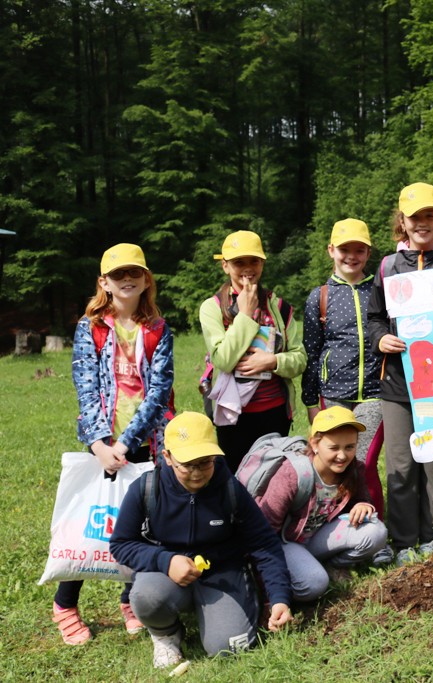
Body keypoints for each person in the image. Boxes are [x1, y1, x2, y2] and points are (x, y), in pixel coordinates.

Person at [53, 243, 174, 645]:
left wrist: (128, 441)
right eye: (118, 274)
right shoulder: (91, 328)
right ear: (104, 282)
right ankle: (65, 602)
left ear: (145, 281)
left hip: (143, 442)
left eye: (134, 273)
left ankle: (129, 598)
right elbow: (85, 389)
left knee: (142, 524)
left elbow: (159, 392)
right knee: (88, 522)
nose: (127, 279)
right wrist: (101, 444)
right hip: (100, 444)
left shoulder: (158, 329)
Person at [110, 412, 293, 669]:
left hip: (222, 572)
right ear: (167, 457)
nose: (197, 473)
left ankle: (218, 611)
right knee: (146, 596)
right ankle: (166, 633)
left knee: (228, 648)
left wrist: (279, 598)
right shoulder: (146, 488)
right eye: (187, 464)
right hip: (168, 574)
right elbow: (120, 544)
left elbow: (263, 544)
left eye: (205, 462)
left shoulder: (230, 488)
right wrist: (166, 560)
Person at [367, 183, 433, 566]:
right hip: (397, 384)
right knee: (402, 465)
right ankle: (405, 539)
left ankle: (432, 534)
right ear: (402, 223)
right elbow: (375, 315)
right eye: (415, 217)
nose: (422, 223)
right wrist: (381, 339)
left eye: (430, 215)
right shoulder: (389, 266)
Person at [254, 406, 388, 600]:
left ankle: (331, 565)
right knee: (314, 586)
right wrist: (270, 589)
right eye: (333, 448)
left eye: (349, 447)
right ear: (315, 444)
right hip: (286, 542)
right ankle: (298, 574)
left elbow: (361, 498)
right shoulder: (292, 473)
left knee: (376, 531)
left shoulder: (354, 469)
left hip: (317, 536)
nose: (342, 456)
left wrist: (363, 505)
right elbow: (264, 530)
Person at [199, 230, 306, 471]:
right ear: (225, 266)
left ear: (263, 263)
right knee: (235, 482)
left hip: (274, 412)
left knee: (272, 481)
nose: (248, 268)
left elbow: (300, 358)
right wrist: (245, 315)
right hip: (232, 416)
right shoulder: (212, 308)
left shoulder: (280, 307)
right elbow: (223, 360)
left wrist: (272, 361)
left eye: (254, 261)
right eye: (239, 262)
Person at [300, 219, 385, 520]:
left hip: (375, 392)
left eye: (359, 250)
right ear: (331, 250)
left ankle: (374, 529)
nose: (352, 256)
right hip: (333, 394)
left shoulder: (380, 290)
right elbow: (311, 352)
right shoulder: (319, 297)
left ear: (368, 253)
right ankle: (331, 524)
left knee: (361, 462)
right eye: (344, 249)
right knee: (333, 462)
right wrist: (311, 403)